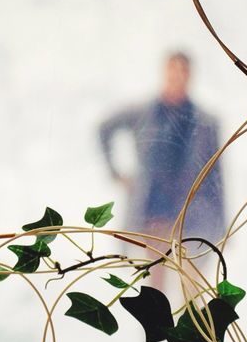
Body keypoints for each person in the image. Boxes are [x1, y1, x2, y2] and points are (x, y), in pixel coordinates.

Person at [96, 52, 226, 279]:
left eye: (182, 71)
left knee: (194, 284)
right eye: (172, 70)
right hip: (155, 214)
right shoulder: (143, 112)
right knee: (156, 286)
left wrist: (223, 223)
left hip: (190, 215)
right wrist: (116, 173)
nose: (177, 77)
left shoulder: (205, 121)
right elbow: (104, 128)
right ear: (164, 73)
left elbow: (216, 173)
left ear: (189, 76)